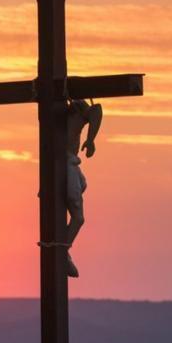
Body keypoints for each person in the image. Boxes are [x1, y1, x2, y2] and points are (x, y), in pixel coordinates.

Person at [65, 99, 102, 277]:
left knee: (83, 185)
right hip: (64, 164)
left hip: (70, 162)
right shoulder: (72, 109)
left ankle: (62, 249)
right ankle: (61, 251)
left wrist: (90, 140)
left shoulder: (74, 107)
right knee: (78, 217)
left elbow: (96, 110)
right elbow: (96, 111)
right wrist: (91, 140)